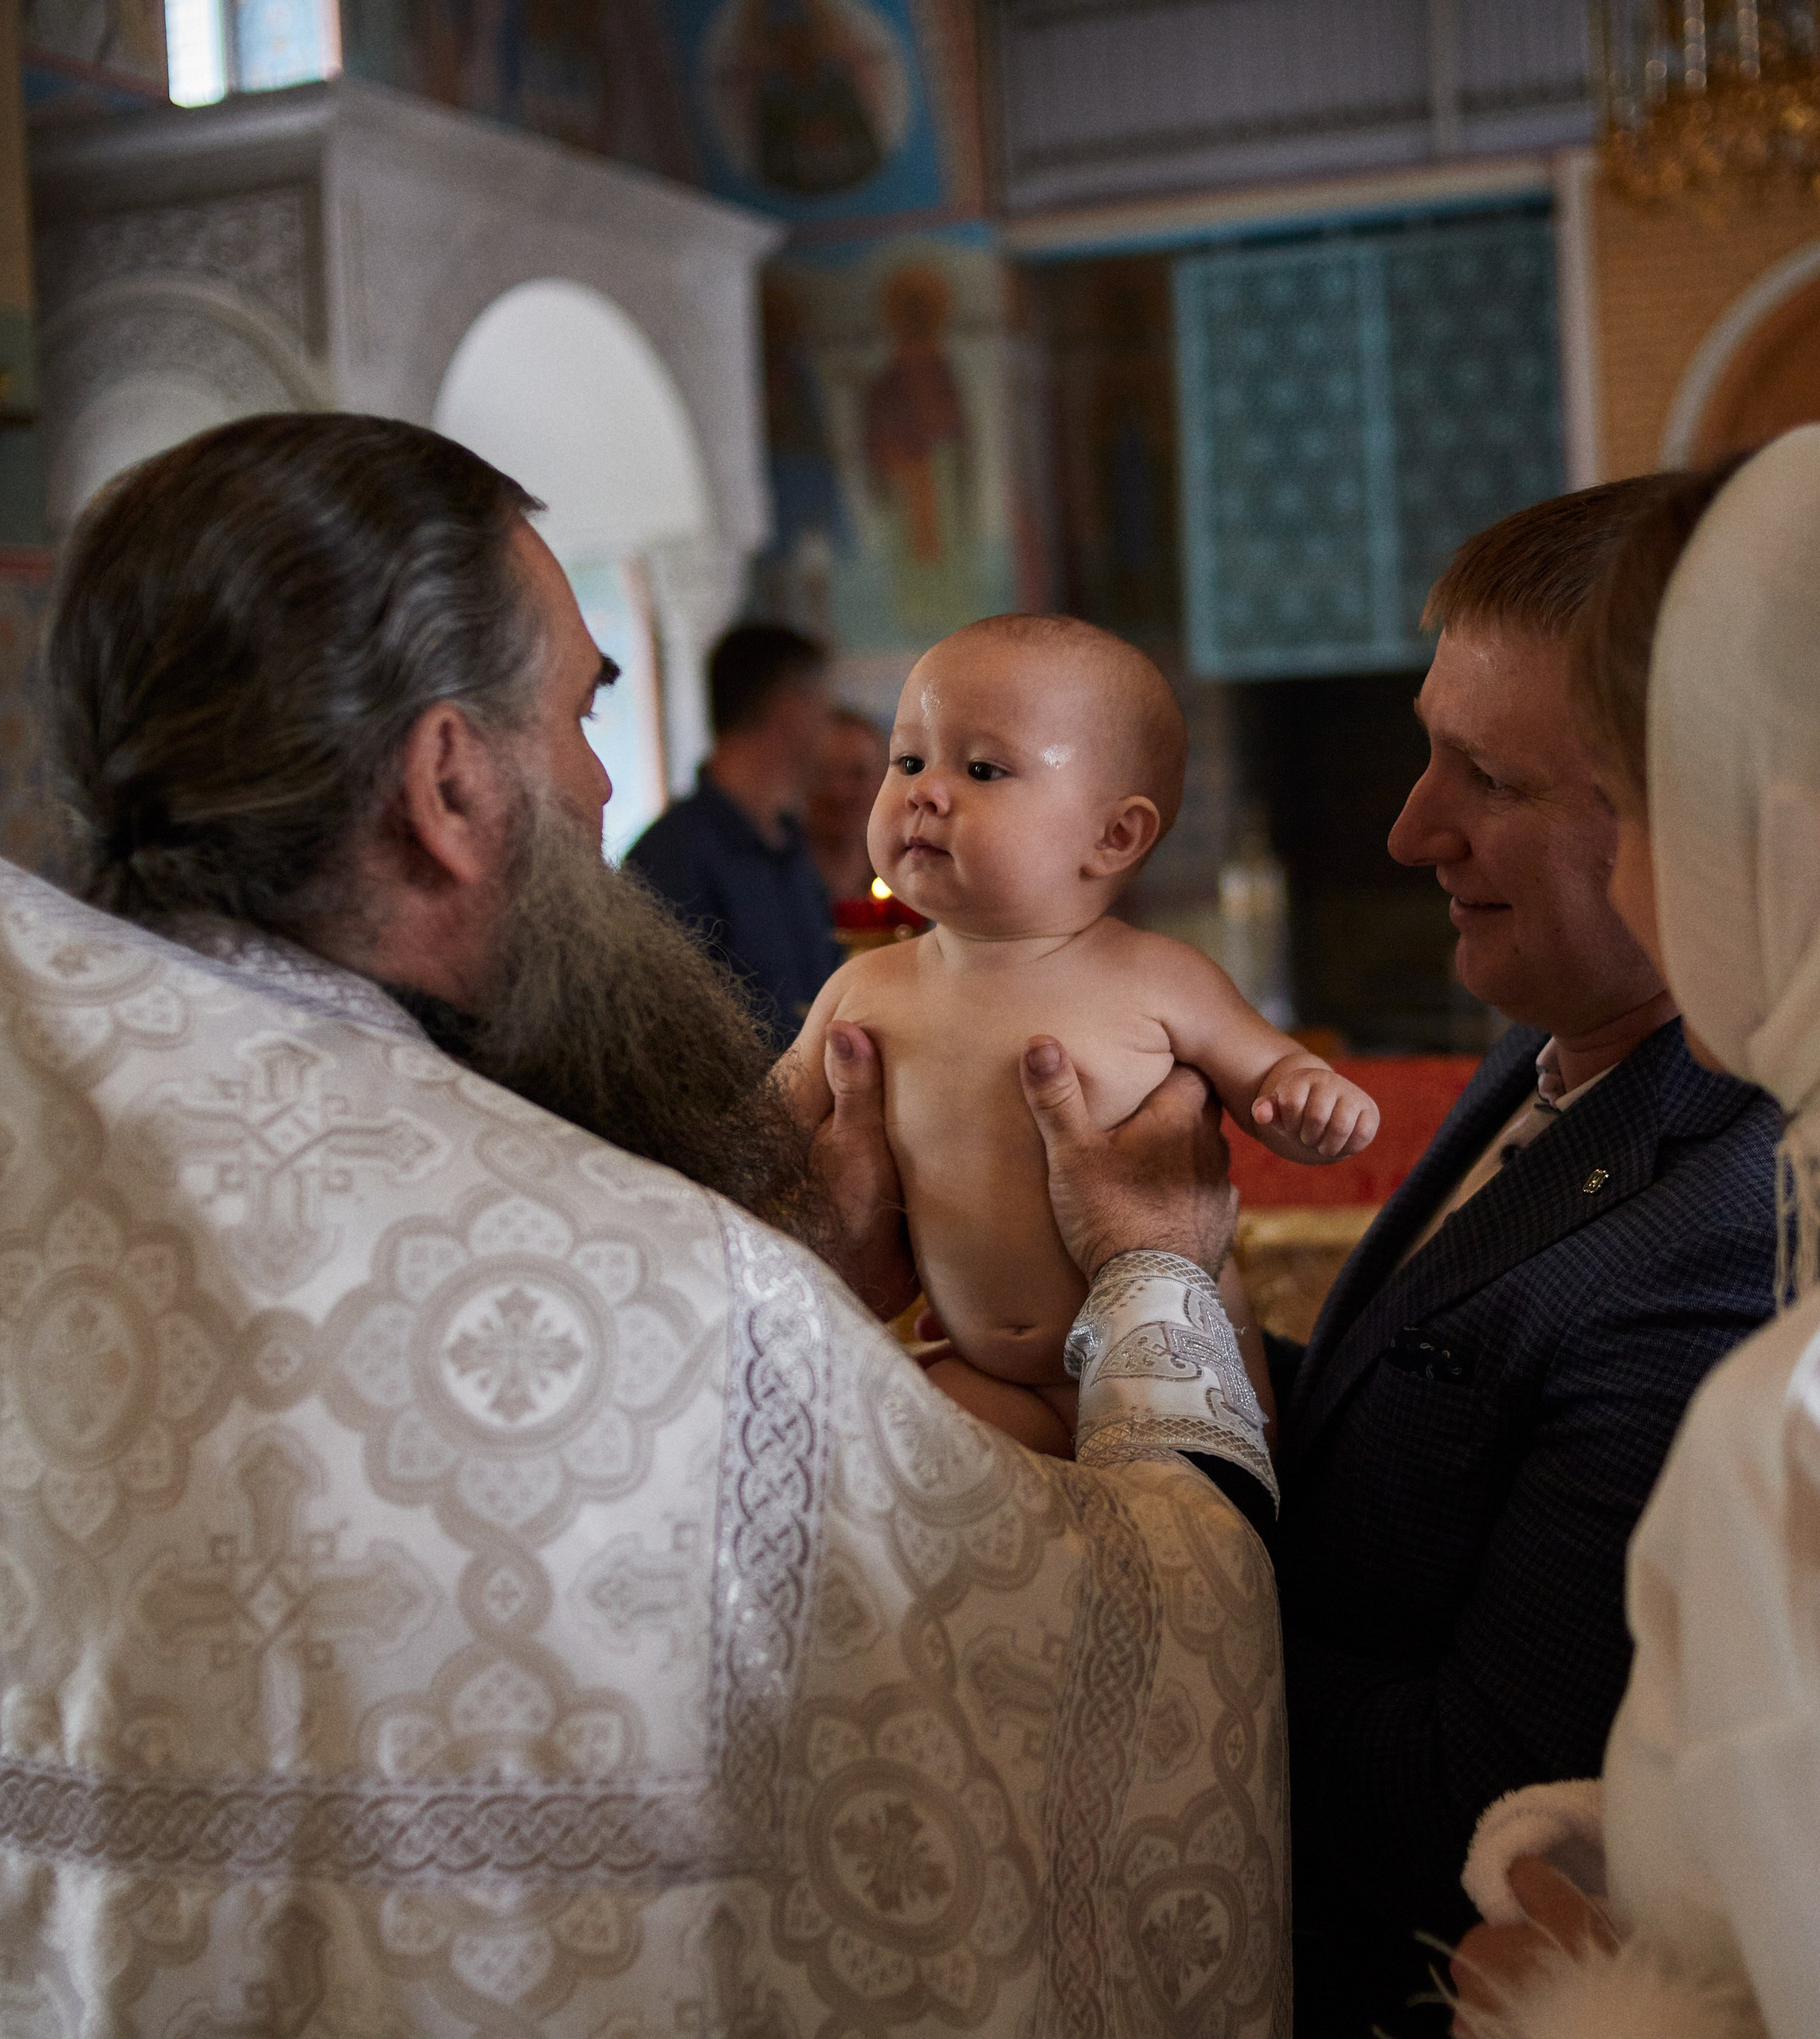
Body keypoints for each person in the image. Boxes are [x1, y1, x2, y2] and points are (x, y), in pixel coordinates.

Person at [2, 413, 1289, 2035]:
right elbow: (1141, 1672)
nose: (609, 780)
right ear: (450, 781)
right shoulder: (671, 1297)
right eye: (580, 714)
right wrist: (1159, 1280)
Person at [1452, 413, 1820, 2036]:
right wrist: (1683, 1829)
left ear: (1792, 842)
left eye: (1634, 808)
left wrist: (1582, 2003)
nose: (1631, 880)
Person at [1267, 482, 1783, 2032]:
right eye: (1428, 744)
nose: (1408, 827)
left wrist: (1134, 1446)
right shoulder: (1567, 1029)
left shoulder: (1727, 1233)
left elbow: (1469, 1794)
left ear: (1686, 819)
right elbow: (1416, 1439)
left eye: (1481, 775)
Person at [777, 612, 1379, 1455]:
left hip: (1175, 1357)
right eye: (908, 759)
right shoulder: (864, 988)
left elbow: (1271, 1077)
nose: (924, 790)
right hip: (981, 1369)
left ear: (1113, 836)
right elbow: (764, 1127)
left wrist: (1309, 1101)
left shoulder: (1159, 977)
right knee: (884, 1455)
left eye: (981, 768)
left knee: (1211, 1530)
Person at [626, 621, 840, 1047]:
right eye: (824, 707)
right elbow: (665, 1044)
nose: (828, 728)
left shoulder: (790, 844)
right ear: (791, 711)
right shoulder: (670, 860)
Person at [807, 703, 889, 904]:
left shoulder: (902, 879)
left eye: (858, 774)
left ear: (883, 780)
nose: (839, 791)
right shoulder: (771, 879)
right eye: (823, 773)